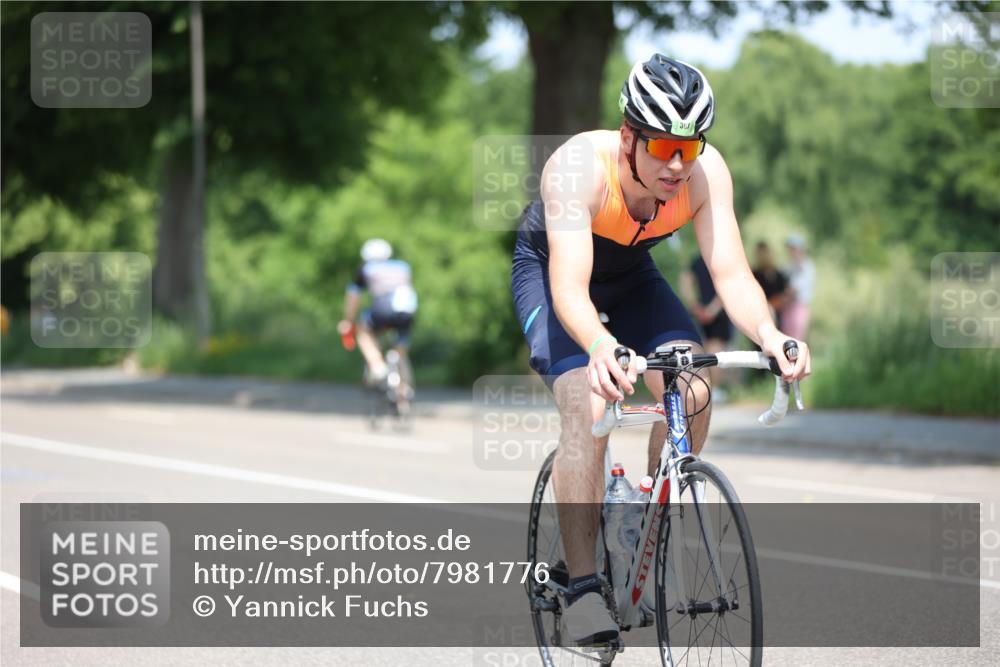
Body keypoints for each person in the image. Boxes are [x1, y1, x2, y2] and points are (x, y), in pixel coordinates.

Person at [510, 55, 811, 645]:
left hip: (631, 275)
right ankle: (584, 588)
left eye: (689, 148)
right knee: (588, 407)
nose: (677, 165)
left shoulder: (705, 173)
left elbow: (731, 274)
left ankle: (644, 522)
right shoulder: (577, 169)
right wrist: (600, 344)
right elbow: (570, 287)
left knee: (693, 388)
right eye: (662, 148)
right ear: (629, 137)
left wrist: (772, 336)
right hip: (553, 272)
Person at [338, 239, 417, 406]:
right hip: (408, 310)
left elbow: (354, 296)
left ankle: (378, 366)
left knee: (364, 330)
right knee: (401, 350)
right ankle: (404, 390)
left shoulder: (365, 268)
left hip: (383, 308)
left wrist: (348, 321)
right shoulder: (403, 266)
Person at [679, 254, 732, 400]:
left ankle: (702, 386)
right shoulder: (722, 259)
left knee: (706, 348)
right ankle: (713, 388)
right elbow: (728, 286)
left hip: (702, 310)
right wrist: (712, 309)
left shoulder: (697, 260)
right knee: (716, 350)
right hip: (718, 313)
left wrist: (694, 305)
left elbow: (685, 281)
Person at [781, 234, 816, 341]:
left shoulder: (807, 266)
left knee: (797, 339)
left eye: (793, 248)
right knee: (785, 337)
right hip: (786, 307)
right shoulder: (788, 266)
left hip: (799, 306)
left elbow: (794, 288)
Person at [751, 241, 789, 322]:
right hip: (758, 312)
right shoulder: (754, 274)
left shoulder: (778, 275)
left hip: (775, 312)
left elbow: (784, 295)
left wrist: (772, 305)